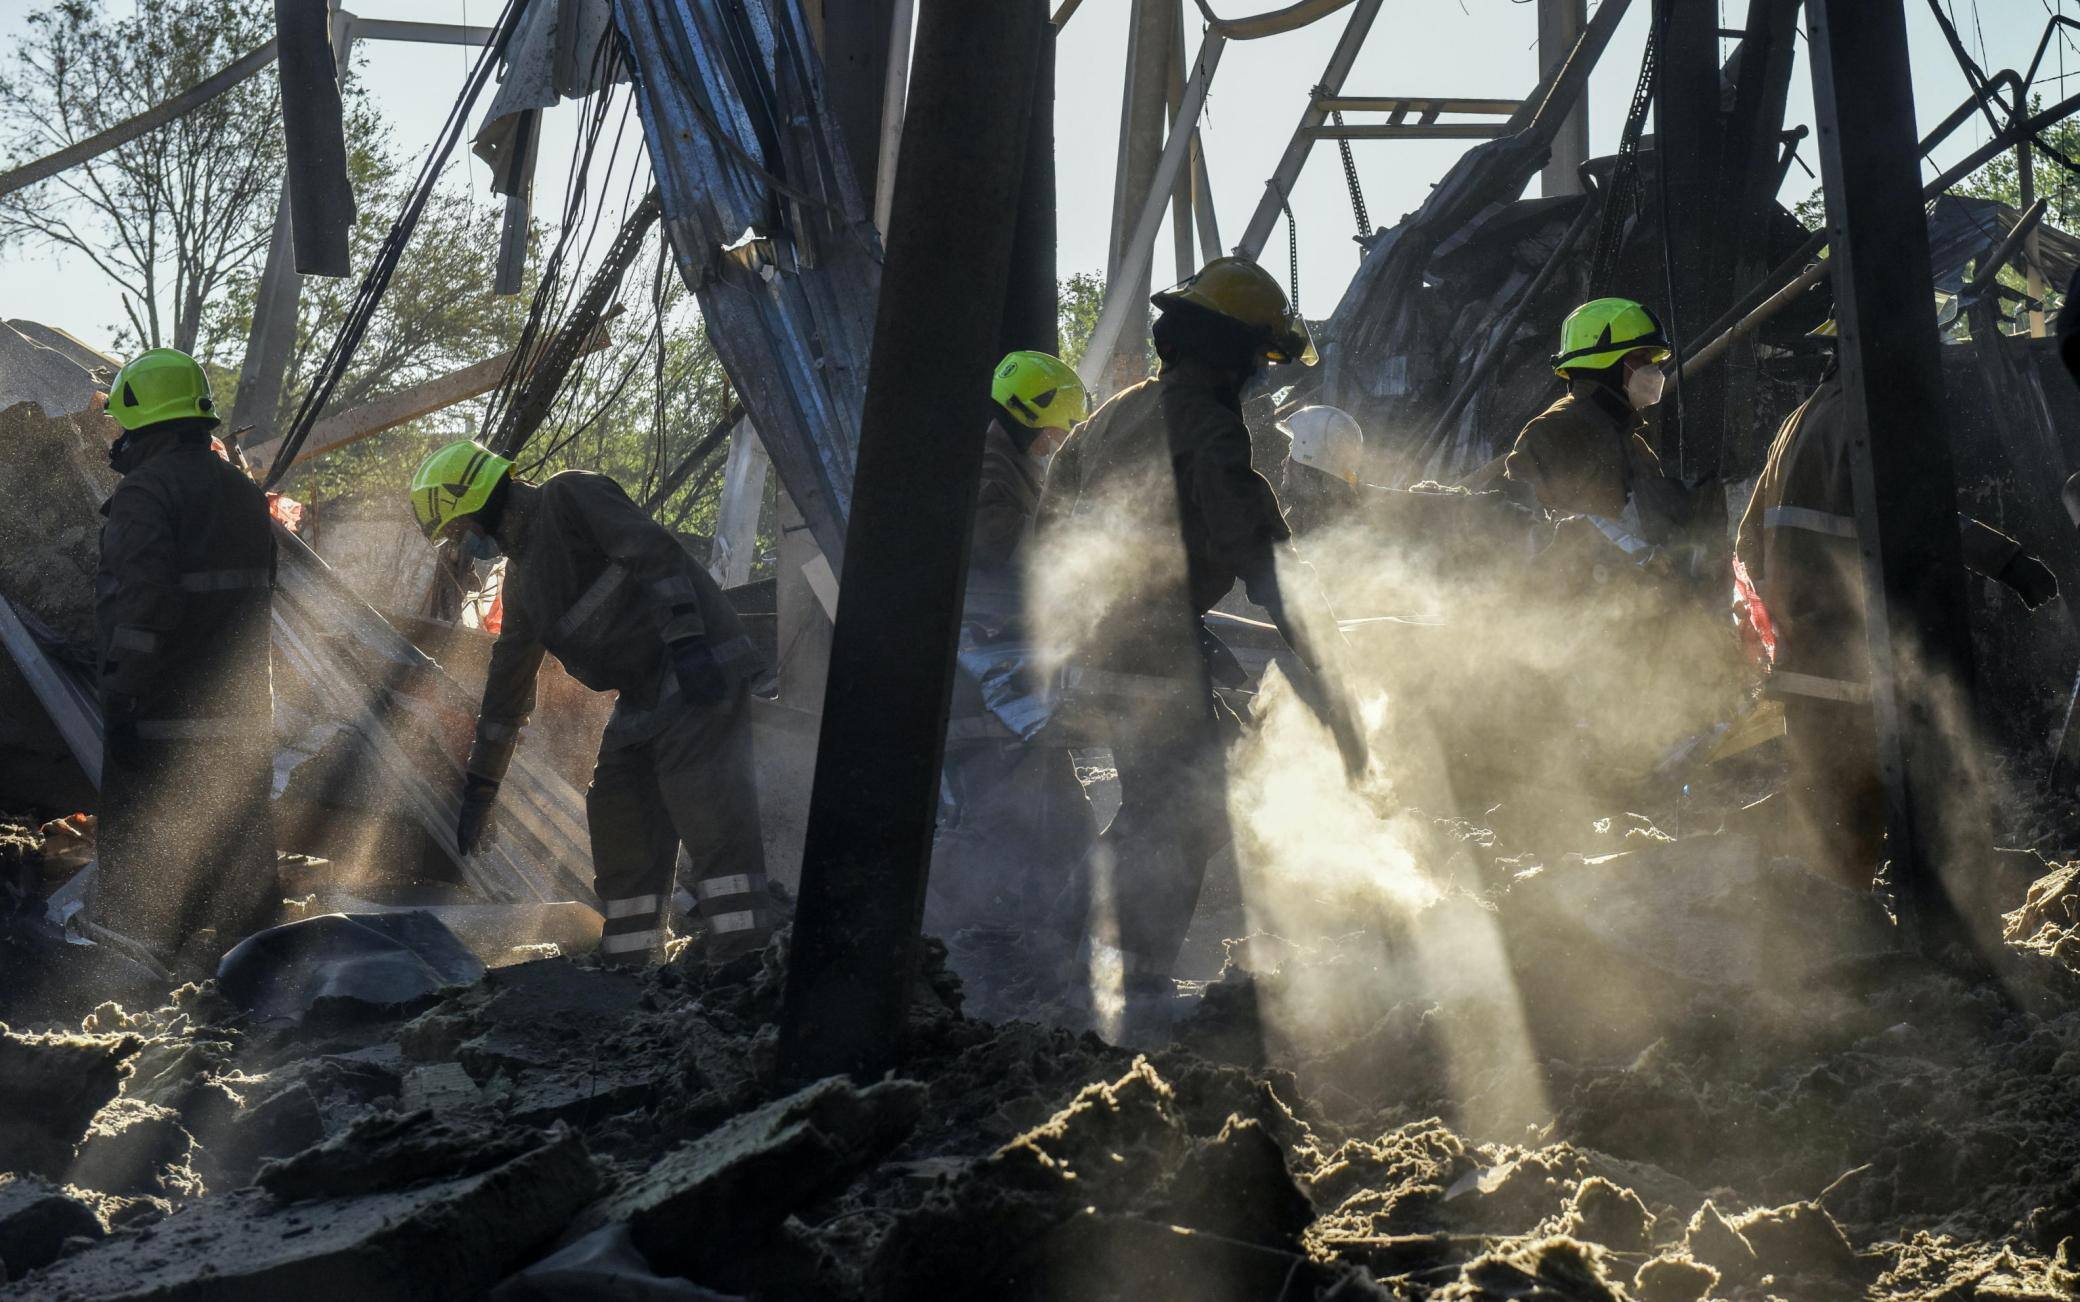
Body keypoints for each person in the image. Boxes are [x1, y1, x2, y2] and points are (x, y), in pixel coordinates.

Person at [1036, 255, 1367, 1036]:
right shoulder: (1205, 421)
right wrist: (1330, 672)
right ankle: (1133, 980)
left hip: (1103, 637)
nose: (1263, 376)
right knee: (1187, 809)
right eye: (1263, 356)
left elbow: (1053, 518)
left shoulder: (1120, 410)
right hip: (1145, 645)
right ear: (1232, 349)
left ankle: (1059, 941)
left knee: (1164, 806)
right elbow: (1257, 551)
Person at [408, 443, 776, 965]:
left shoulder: (571, 495)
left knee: (708, 813)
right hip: (642, 697)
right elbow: (504, 695)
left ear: (478, 500)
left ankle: (744, 964)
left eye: (456, 528)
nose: (462, 544)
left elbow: (655, 553)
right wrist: (480, 793)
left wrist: (690, 642)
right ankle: (632, 966)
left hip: (696, 667)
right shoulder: (523, 587)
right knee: (617, 814)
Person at [1735, 354, 2057, 888]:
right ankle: (1860, 937)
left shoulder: (1800, 420)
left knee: (1825, 808)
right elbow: (1918, 518)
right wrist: (2009, 564)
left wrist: (1780, 624)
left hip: (1804, 659)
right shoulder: (1862, 421)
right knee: (1859, 812)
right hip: (1851, 658)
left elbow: (1748, 541)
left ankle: (1826, 925)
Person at [91, 348, 278, 971]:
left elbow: (141, 608)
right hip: (243, 720)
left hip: (163, 718)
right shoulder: (243, 493)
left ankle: (131, 997)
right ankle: (251, 1011)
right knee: (241, 887)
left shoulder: (146, 493)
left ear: (144, 421)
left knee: (142, 885)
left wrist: (122, 702)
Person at [928, 352, 1097, 968]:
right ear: (1031, 417)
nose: (1057, 444)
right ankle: (939, 941)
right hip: (985, 677)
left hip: (1004, 676)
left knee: (1061, 820)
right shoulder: (988, 472)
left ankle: (1041, 943)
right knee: (996, 822)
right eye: (1057, 431)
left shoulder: (1005, 463)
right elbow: (1009, 554)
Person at [1505, 297, 1684, 560]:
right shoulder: (1554, 432)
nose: (1653, 369)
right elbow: (1523, 533)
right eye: (1641, 358)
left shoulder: (1635, 445)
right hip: (1577, 595)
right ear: (1605, 363)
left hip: (1633, 594)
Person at [1276, 404, 1365, 537]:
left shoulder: (1316, 524)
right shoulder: (1344, 512)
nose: (1283, 462)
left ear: (1309, 463)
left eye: (1291, 453)